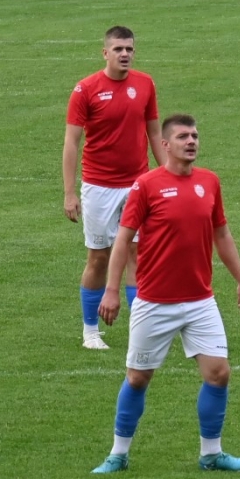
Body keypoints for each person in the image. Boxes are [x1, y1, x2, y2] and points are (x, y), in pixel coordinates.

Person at [92, 115, 240, 474]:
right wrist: (112, 290)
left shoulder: (209, 182)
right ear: (165, 145)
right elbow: (123, 240)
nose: (191, 141)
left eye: (195, 135)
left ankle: (211, 454)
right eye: (183, 136)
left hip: (200, 301)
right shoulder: (146, 186)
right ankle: (118, 454)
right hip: (155, 302)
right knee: (138, 378)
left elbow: (222, 234)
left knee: (219, 373)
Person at [64, 26, 165, 350]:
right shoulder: (85, 90)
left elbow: (154, 133)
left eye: (129, 49)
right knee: (99, 258)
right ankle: (90, 332)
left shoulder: (145, 84)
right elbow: (72, 142)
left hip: (137, 184)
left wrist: (167, 175)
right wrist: (69, 192)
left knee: (137, 254)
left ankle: (140, 332)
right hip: (99, 187)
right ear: (105, 53)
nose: (125, 54)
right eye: (118, 49)